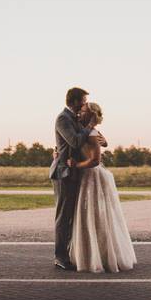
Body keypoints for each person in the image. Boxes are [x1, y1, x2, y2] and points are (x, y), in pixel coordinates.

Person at [68, 102, 137, 273]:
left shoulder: (91, 133)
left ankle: (100, 256)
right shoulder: (86, 130)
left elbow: (95, 160)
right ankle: (94, 254)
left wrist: (76, 165)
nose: (79, 112)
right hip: (88, 176)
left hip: (93, 176)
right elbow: (100, 142)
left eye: (83, 111)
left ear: (90, 116)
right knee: (90, 216)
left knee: (96, 216)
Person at [49, 87, 102, 270]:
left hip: (74, 173)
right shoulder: (63, 118)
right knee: (63, 216)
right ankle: (60, 257)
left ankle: (69, 253)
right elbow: (75, 141)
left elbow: (94, 140)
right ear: (74, 101)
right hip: (64, 173)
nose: (86, 104)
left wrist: (92, 131)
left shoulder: (76, 119)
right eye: (84, 101)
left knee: (72, 216)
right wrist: (89, 127)